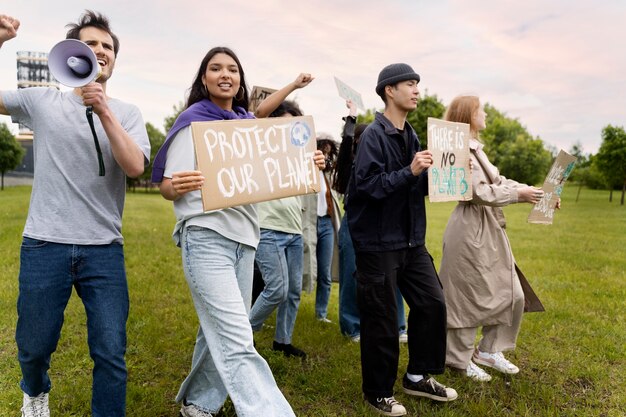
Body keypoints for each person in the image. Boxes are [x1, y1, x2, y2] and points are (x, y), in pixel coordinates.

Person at [152, 48, 321, 417]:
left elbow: (268, 130)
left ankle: (198, 403)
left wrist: (308, 161)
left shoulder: (244, 125)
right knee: (238, 339)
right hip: (206, 237)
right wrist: (174, 187)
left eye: (232, 69)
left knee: (219, 329)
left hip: (245, 241)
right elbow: (166, 186)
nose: (224, 74)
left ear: (240, 80)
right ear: (204, 79)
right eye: (215, 68)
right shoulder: (193, 122)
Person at [0, 11, 150, 417]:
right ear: (73, 53)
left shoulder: (128, 113)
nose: (101, 51)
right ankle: (34, 390)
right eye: (92, 44)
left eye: (108, 46)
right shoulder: (41, 100)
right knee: (33, 345)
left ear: (114, 60)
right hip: (44, 243)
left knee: (110, 351)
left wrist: (104, 112)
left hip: (103, 249)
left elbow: (136, 167)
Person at [345, 63, 458, 416]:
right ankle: (378, 391)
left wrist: (444, 178)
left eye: (418, 85)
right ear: (389, 90)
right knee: (381, 321)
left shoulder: (411, 136)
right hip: (377, 243)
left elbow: (412, 186)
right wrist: (409, 171)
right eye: (410, 84)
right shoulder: (373, 136)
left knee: (432, 303)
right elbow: (365, 188)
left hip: (411, 240)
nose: (417, 90)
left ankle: (416, 376)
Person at [439, 95, 547, 382]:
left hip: (488, 228)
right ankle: (458, 359)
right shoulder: (457, 148)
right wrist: (518, 195)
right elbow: (475, 192)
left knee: (513, 292)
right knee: (467, 295)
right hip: (469, 229)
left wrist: (532, 192)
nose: (485, 113)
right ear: (468, 116)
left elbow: (497, 183)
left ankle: (488, 350)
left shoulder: (476, 149)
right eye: (480, 109)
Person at [248, 74, 324, 360]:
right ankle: (244, 335)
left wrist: (318, 163)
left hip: (294, 230)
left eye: (295, 123)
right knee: (276, 289)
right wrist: (293, 86)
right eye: (284, 122)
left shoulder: (301, 155)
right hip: (267, 228)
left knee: (292, 292)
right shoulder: (261, 148)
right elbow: (258, 114)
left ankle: (282, 341)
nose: (289, 128)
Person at [333, 99, 409, 344]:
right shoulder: (350, 164)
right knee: (352, 273)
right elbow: (345, 146)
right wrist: (352, 117)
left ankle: (398, 326)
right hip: (354, 223)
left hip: (385, 222)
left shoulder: (385, 160)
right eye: (360, 141)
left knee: (392, 275)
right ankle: (352, 326)